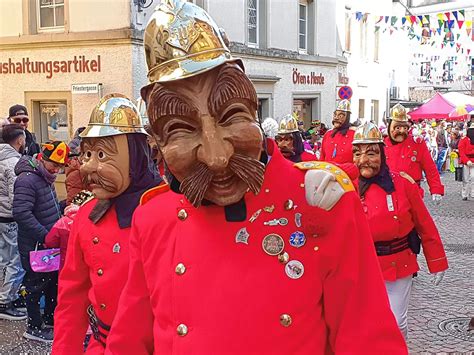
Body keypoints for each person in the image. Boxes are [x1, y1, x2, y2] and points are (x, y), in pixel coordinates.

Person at [105, 1, 407, 354]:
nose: (217, 158)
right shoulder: (153, 219)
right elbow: (129, 343)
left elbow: (368, 340)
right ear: (156, 144)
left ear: (254, 111)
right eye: (181, 132)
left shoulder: (322, 204)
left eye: (231, 117)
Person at [52, 94, 162, 354]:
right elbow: (72, 298)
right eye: (87, 154)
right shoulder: (88, 215)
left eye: (101, 154)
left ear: (135, 155)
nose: (88, 165)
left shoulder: (167, 210)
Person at [352, 122, 448, 338]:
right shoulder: (347, 185)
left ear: (382, 155)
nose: (363, 160)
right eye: (357, 153)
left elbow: (424, 223)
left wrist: (437, 260)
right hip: (362, 265)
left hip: (398, 264)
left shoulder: (403, 185)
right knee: (366, 322)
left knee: (396, 322)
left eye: (371, 154)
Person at [13, 140, 69, 342]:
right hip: (36, 244)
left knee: (51, 283)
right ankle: (34, 326)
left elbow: (46, 206)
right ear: (43, 159)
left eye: (60, 166)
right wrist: (44, 235)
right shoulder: (28, 180)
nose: (57, 170)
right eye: (54, 165)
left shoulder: (45, 176)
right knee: (35, 286)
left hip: (47, 243)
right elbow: (21, 213)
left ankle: (50, 319)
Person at [384, 104, 444, 202]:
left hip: (412, 193)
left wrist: (436, 188)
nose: (402, 131)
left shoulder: (417, 144)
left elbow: (430, 168)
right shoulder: (381, 145)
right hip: (388, 194)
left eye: (405, 128)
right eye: (397, 128)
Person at [0, 124, 27, 321]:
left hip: (1, 216)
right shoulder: (13, 163)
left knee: (3, 259)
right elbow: (15, 196)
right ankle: (5, 301)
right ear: (19, 140)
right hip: (9, 218)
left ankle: (8, 295)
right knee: (14, 260)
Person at [320, 99, 355, 163]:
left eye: (340, 116)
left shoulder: (354, 134)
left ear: (347, 117)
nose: (336, 118)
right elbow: (322, 157)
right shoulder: (328, 134)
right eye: (335, 115)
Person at [458, 122, 474, 200]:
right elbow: (461, 151)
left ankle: (473, 193)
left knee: (473, 178)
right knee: (466, 179)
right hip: (466, 161)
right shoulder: (463, 139)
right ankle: (465, 194)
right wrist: (467, 161)